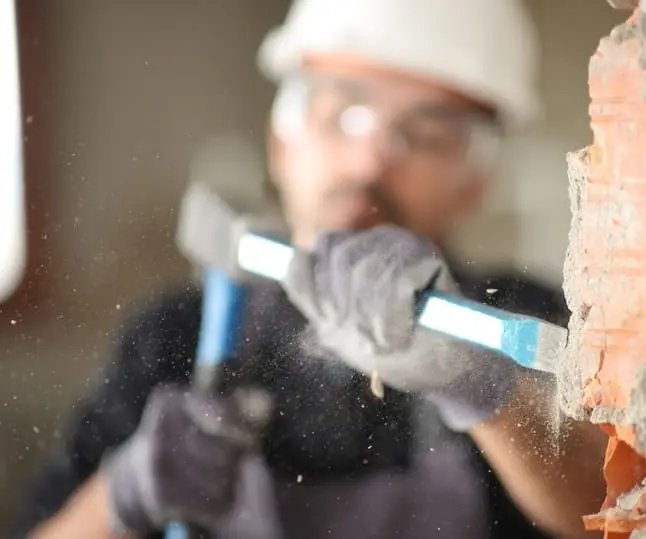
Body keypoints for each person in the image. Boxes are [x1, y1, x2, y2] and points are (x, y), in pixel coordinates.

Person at [12, 0, 607, 538]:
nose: (370, 159)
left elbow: (619, 509)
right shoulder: (174, 338)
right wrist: (122, 495)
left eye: (426, 135)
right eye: (340, 114)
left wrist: (485, 387)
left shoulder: (517, 319)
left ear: (475, 183)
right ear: (281, 144)